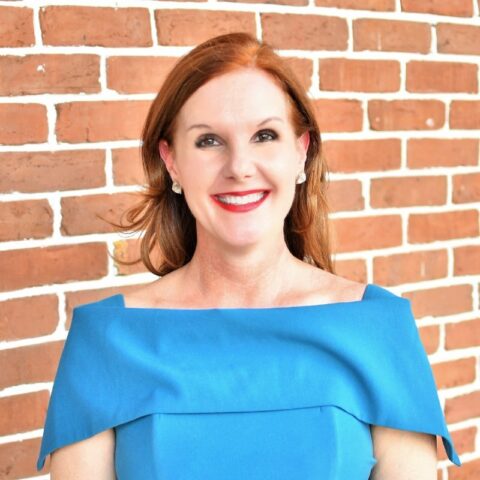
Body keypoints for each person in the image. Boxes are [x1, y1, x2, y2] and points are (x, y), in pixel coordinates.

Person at [36, 32, 461, 479]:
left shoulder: (378, 330)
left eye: (265, 135)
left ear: (301, 152)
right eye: (208, 141)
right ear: (172, 161)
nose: (239, 167)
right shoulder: (108, 341)